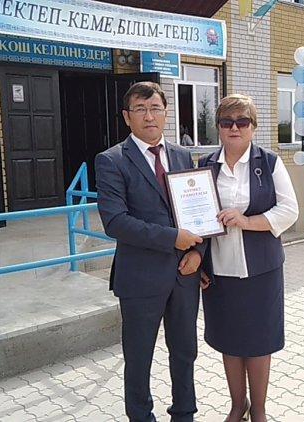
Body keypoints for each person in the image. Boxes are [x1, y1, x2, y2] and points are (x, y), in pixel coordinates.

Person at [95, 82, 205, 422]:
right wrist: (173, 238)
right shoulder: (112, 160)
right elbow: (115, 222)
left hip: (184, 274)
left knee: (185, 352)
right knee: (139, 357)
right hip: (140, 277)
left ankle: (184, 413)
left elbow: (198, 212)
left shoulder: (183, 156)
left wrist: (199, 254)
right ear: (127, 117)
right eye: (140, 109)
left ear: (166, 113)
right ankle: (141, 417)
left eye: (155, 108)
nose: (149, 116)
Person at [198, 94, 299, 422]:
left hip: (261, 269)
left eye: (242, 122)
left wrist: (245, 221)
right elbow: (194, 217)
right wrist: (197, 261)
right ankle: (236, 404)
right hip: (219, 270)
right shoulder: (205, 165)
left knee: (258, 341)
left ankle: (258, 409)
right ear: (218, 127)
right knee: (229, 339)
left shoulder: (269, 163)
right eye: (227, 122)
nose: (234, 128)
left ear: (253, 127)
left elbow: (289, 211)